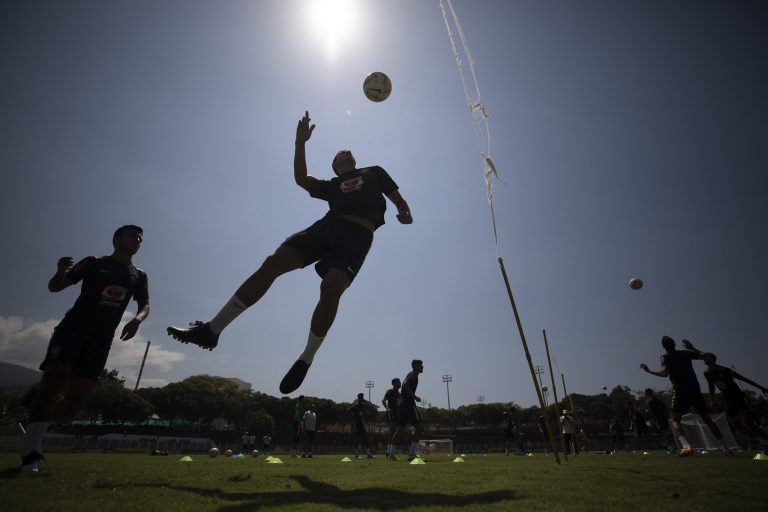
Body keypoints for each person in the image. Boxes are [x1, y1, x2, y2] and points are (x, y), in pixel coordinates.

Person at [166, 111, 413, 394]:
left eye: (346, 152)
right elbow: (301, 179)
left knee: (331, 289)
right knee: (272, 263)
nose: (344, 152)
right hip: (327, 227)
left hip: (358, 237)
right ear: (335, 167)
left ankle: (306, 357)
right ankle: (212, 330)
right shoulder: (332, 186)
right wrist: (300, 143)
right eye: (338, 154)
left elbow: (397, 198)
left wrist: (404, 211)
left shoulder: (374, 172)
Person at [20, 225, 149, 473]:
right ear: (117, 239)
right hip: (73, 329)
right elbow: (55, 287)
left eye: (140, 238)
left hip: (101, 340)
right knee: (54, 381)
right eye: (133, 235)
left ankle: (35, 428)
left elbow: (145, 304)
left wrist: (137, 319)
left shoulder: (139, 275)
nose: (138, 240)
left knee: (75, 399)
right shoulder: (93, 262)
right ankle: (31, 455)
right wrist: (60, 271)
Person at [640, 335, 732, 456]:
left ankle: (686, 446)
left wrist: (648, 371)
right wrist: (693, 348)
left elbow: (664, 373)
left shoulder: (665, 357)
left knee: (675, 419)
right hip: (694, 389)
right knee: (707, 419)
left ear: (663, 347)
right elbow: (708, 357)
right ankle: (726, 449)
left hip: (680, 389)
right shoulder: (685, 353)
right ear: (674, 344)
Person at [682, 339, 768, 453]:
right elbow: (711, 386)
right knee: (736, 425)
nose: (704, 359)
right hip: (729, 401)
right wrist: (712, 399)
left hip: (739, 397)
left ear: (713, 359)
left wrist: (761, 387)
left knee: (749, 423)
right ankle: (761, 441)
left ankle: (765, 441)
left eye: (707, 357)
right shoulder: (707, 373)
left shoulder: (724, 370)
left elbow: (744, 379)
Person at [390, 359, 424, 461]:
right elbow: (405, 385)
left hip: (402, 405)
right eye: (420, 365)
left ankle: (391, 454)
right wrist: (415, 397)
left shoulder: (410, 374)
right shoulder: (414, 374)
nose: (422, 367)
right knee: (420, 428)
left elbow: (404, 385)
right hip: (409, 404)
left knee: (399, 430)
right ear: (415, 366)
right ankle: (412, 454)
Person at [644, 388, 674, 453]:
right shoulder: (658, 400)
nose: (645, 395)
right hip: (664, 417)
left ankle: (669, 447)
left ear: (647, 393)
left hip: (658, 418)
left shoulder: (649, 400)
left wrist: (646, 412)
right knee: (666, 432)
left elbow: (651, 411)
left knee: (663, 433)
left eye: (645, 393)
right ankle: (669, 446)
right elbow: (665, 408)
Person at [382, 378, 401, 458]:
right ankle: (389, 451)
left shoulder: (399, 394)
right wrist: (387, 409)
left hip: (398, 414)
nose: (400, 383)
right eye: (398, 382)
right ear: (393, 384)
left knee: (397, 433)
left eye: (400, 382)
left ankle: (390, 451)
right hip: (391, 413)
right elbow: (383, 400)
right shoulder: (390, 391)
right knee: (392, 432)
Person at [350, 393, 373, 459]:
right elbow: (349, 410)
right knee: (357, 439)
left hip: (361, 424)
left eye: (362, 397)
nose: (362, 398)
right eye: (361, 397)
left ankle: (368, 454)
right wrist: (354, 418)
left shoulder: (362, 406)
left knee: (366, 438)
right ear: (358, 398)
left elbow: (364, 414)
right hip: (356, 424)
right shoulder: (355, 405)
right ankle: (356, 455)